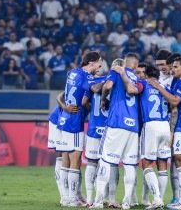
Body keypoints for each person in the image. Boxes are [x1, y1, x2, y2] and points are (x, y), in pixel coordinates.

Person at [93, 53, 143, 209]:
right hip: (133, 127)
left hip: (117, 122)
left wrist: (103, 99)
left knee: (106, 161)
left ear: (125, 62)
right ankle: (127, 202)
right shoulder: (138, 80)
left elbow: (107, 86)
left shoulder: (116, 71)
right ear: (136, 65)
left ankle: (98, 201)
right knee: (129, 165)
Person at [148, 57, 181, 210]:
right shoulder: (177, 81)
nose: (172, 69)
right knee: (180, 161)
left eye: (176, 67)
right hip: (180, 125)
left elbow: (175, 101)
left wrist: (158, 87)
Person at [57, 51, 102, 207]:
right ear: (91, 62)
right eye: (99, 63)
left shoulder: (73, 72)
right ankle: (72, 199)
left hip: (64, 118)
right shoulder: (85, 76)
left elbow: (79, 97)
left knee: (65, 160)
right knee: (75, 161)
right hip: (75, 121)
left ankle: (65, 198)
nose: (100, 66)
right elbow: (96, 88)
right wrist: (111, 77)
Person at [83, 58, 124, 208]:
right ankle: (111, 199)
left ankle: (89, 199)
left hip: (94, 127)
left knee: (92, 163)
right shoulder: (122, 83)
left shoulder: (94, 81)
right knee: (112, 163)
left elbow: (83, 102)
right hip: (112, 128)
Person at [137, 64, 171, 210]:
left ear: (146, 75)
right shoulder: (163, 87)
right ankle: (160, 199)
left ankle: (156, 199)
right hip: (165, 126)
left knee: (146, 163)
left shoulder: (143, 84)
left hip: (151, 125)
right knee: (162, 164)